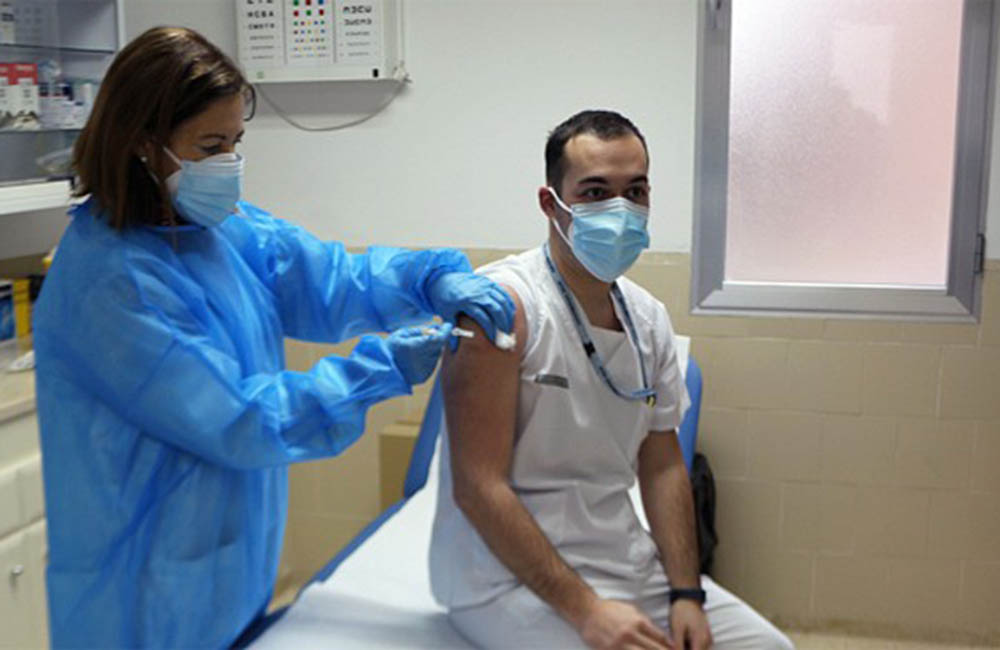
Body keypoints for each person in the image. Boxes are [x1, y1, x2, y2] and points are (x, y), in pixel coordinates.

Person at [31, 27, 514, 649]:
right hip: (136, 599)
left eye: (236, 141)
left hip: (224, 580)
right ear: (142, 144)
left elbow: (333, 282)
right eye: (211, 145)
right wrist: (380, 370)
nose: (230, 163)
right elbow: (243, 420)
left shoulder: (218, 230)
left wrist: (427, 279)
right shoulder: (111, 281)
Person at [428, 110, 793, 650]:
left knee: (769, 647)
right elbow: (479, 488)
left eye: (635, 191)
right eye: (596, 193)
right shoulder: (501, 308)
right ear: (551, 203)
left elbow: (663, 463)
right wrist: (587, 611)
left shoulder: (648, 319)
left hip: (621, 563)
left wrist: (686, 594)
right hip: (501, 580)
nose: (620, 211)